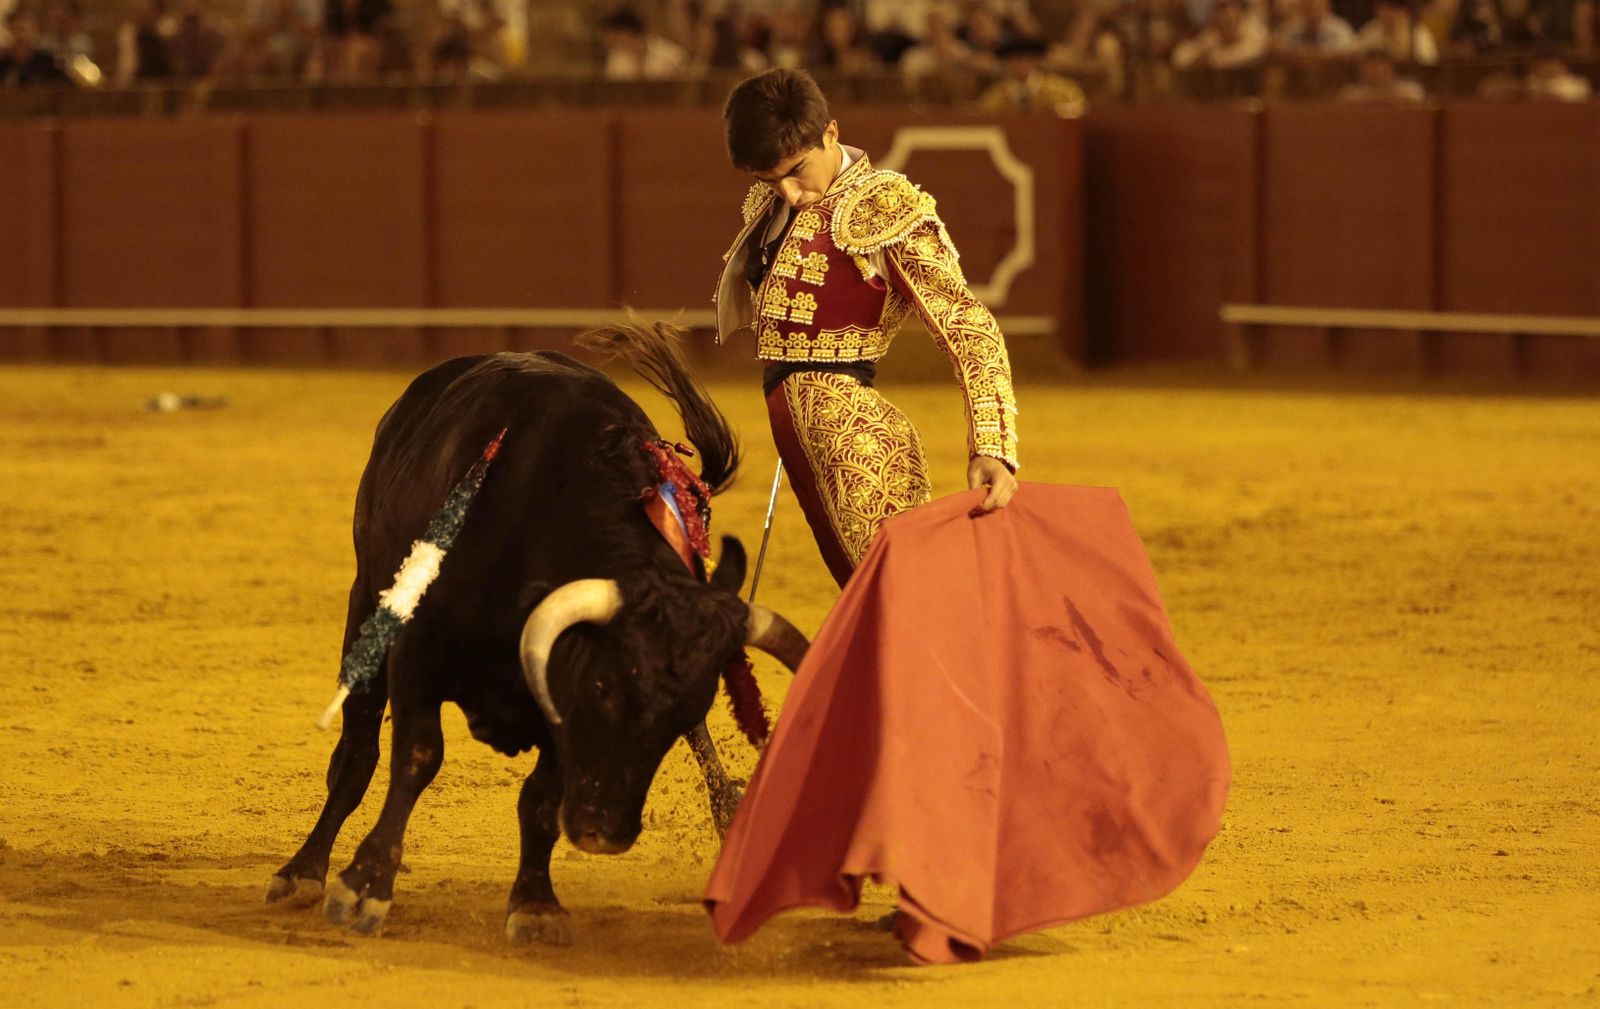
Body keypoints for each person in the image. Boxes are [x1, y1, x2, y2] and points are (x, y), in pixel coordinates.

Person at [714, 68, 1019, 588]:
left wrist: (993, 445)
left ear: (830, 133)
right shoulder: (777, 202)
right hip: (802, 426)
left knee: (902, 594)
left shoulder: (885, 206)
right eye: (768, 181)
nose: (787, 193)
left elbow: (968, 324)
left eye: (795, 171)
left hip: (859, 439)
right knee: (877, 593)